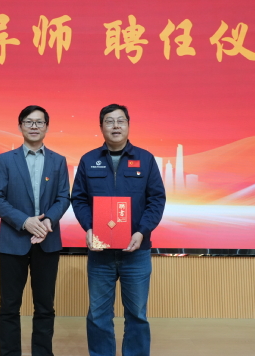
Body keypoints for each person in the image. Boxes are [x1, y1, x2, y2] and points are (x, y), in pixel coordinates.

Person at [71, 104, 166, 356]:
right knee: (98, 314)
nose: (115, 126)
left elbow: (157, 199)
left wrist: (142, 231)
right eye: (109, 121)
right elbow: (78, 199)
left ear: (128, 125)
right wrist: (89, 228)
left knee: (137, 314)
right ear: (101, 127)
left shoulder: (145, 159)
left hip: (136, 252)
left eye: (120, 121)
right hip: (100, 253)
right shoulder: (88, 160)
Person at [0, 105, 70, 356]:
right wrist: (25, 221)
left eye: (39, 122)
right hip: (13, 241)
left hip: (47, 241)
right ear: (20, 126)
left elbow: (63, 197)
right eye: (29, 122)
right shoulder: (5, 160)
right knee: (9, 307)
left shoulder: (58, 161)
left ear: (47, 127)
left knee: (45, 306)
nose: (34, 126)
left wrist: (48, 221)